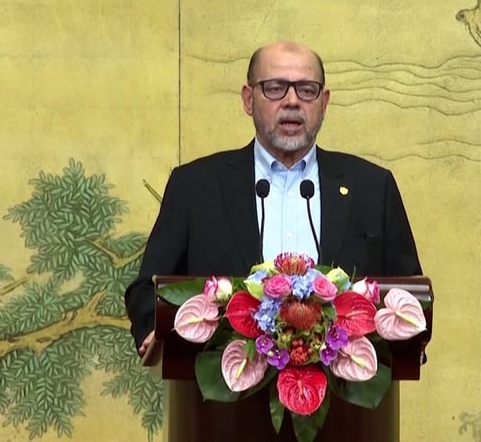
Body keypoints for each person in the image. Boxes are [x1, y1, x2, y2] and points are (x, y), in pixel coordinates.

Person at [125, 40, 422, 355]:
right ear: (248, 99)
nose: (292, 101)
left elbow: (410, 295)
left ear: (324, 102)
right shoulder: (195, 186)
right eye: (275, 88)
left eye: (307, 90)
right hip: (220, 400)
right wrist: (153, 326)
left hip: (347, 396)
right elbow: (147, 289)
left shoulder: (372, 188)